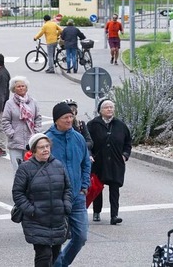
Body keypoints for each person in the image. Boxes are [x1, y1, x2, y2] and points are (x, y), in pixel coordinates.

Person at [13, 133, 71, 267]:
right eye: (41, 147)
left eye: (47, 146)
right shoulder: (25, 168)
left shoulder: (58, 165)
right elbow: (18, 193)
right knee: (44, 255)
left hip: (57, 218)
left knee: (56, 255)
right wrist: (31, 210)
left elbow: (67, 188)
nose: (45, 149)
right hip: (36, 220)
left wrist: (66, 205)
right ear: (33, 150)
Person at [45, 102, 91, 267]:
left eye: (71, 116)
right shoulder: (47, 140)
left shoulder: (78, 138)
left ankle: (60, 264)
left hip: (77, 196)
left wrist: (84, 186)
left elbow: (86, 163)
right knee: (55, 240)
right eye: (66, 117)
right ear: (57, 120)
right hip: (56, 197)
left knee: (81, 237)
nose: (70, 119)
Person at [87, 99, 132, 225]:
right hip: (98, 161)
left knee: (114, 188)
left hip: (116, 162)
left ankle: (114, 215)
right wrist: (89, 155)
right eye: (106, 107)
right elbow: (86, 142)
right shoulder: (92, 124)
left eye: (111, 107)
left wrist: (125, 155)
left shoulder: (121, 125)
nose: (109, 109)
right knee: (97, 188)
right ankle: (96, 212)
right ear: (100, 110)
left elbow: (128, 143)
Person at [1, 76, 42, 169]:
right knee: (18, 170)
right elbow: (5, 120)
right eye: (18, 86)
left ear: (26, 87)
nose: (21, 88)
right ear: (13, 89)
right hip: (16, 142)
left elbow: (38, 118)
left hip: (31, 141)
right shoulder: (9, 103)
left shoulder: (33, 102)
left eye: (23, 86)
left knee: (31, 169)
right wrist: (11, 133)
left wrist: (36, 133)